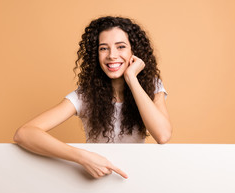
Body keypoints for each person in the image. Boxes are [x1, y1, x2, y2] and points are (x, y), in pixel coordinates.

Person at [13, 16, 172, 179]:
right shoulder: (85, 96)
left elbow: (163, 135)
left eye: (121, 47)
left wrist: (131, 78)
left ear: (134, 51)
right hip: (92, 181)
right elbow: (24, 134)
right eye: (104, 48)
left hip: (133, 178)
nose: (112, 55)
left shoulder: (151, 87)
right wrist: (83, 157)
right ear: (96, 55)